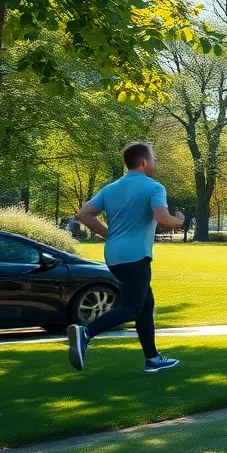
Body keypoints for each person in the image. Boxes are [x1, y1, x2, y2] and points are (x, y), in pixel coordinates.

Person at [67, 142, 184, 373]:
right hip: (136, 256)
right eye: (154, 159)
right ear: (144, 162)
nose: (155, 163)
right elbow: (163, 219)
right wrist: (179, 221)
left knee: (145, 304)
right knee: (132, 307)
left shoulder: (111, 188)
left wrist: (110, 234)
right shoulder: (154, 187)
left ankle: (152, 359)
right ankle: (86, 332)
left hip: (114, 255)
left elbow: (83, 213)